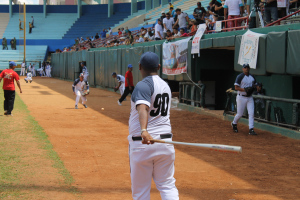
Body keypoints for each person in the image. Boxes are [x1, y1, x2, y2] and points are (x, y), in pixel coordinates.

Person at [128, 51, 179, 199]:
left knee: (141, 192)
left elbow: (142, 108)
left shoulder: (142, 85)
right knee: (167, 186)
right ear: (158, 66)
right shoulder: (165, 86)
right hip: (165, 143)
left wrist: (144, 130)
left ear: (139, 66)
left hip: (143, 143)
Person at [231, 64, 257, 135]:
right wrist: (244, 89)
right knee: (240, 114)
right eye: (245, 67)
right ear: (242, 69)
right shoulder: (240, 76)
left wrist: (257, 87)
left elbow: (255, 85)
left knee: (251, 113)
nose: (246, 69)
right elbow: (236, 87)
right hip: (241, 97)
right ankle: (234, 123)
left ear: (249, 68)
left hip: (249, 97)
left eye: (247, 67)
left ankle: (251, 129)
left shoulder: (252, 77)